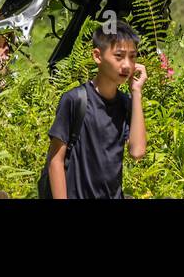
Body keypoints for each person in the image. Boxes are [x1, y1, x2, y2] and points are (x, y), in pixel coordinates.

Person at [43, 20, 147, 199]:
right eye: (119, 56)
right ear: (97, 56)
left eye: (132, 56)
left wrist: (136, 92)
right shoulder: (75, 100)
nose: (127, 65)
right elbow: (55, 161)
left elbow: (137, 152)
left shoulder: (125, 104)